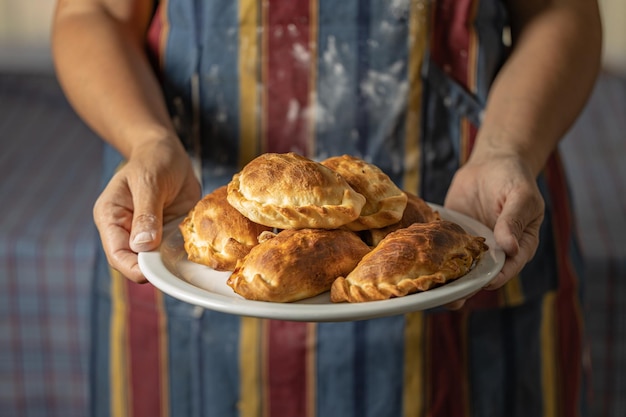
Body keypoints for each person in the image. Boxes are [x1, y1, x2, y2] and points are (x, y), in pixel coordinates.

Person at [52, 0, 602, 416]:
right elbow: (91, 10)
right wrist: (148, 143)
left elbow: (562, 11)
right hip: (187, 211)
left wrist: (506, 148)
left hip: (465, 199)